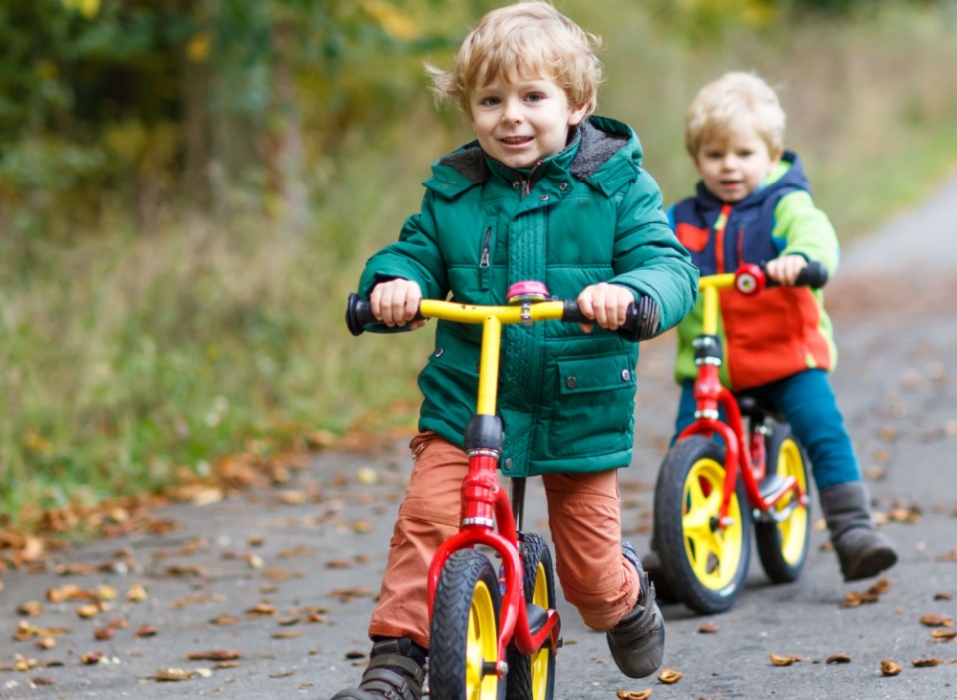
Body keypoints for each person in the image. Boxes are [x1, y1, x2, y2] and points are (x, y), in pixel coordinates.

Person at [334, 2, 698, 698]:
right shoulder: (455, 191)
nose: (512, 117)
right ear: (469, 109)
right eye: (491, 100)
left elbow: (668, 263)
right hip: (469, 400)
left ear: (578, 104)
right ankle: (395, 666)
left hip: (577, 404)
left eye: (534, 97)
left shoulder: (616, 187)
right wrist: (394, 286)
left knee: (589, 577)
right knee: (429, 524)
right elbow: (413, 253)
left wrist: (633, 295)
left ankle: (625, 597)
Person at [661, 71, 898, 582]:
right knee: (686, 444)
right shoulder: (679, 218)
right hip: (712, 368)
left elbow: (815, 235)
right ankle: (675, 544)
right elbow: (649, 250)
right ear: (696, 158)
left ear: (771, 156)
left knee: (821, 429)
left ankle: (853, 529)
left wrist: (801, 259)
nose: (729, 167)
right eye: (715, 154)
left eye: (744, 154)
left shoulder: (784, 204)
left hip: (786, 358)